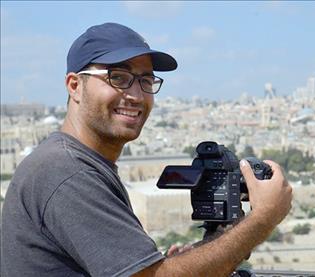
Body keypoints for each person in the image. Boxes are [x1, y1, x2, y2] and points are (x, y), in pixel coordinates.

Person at [1, 22, 292, 277]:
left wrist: (178, 263)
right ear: (75, 86)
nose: (136, 95)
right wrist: (262, 218)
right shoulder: (66, 172)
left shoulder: (76, 162)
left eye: (146, 80)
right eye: (118, 77)